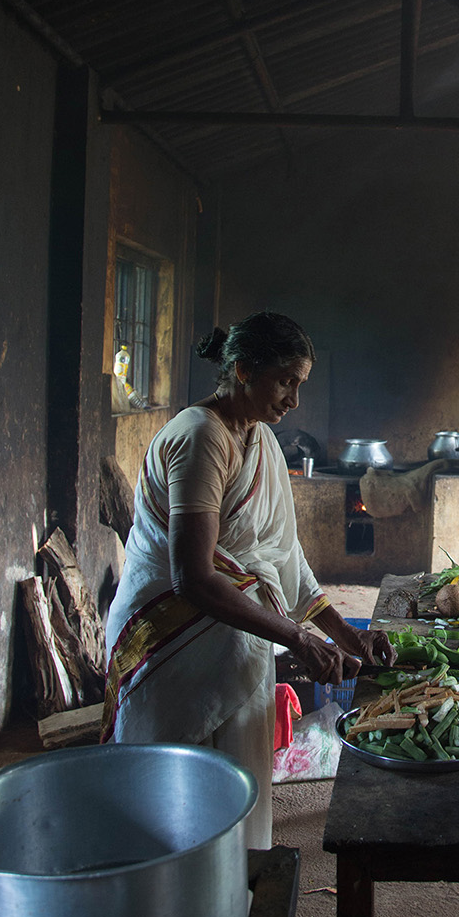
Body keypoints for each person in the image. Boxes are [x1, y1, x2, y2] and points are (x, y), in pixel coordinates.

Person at [102, 311, 395, 848]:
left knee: (235, 798)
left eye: (299, 384)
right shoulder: (200, 439)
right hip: (171, 638)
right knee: (178, 808)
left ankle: (235, 893)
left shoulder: (258, 438)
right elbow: (192, 578)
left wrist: (342, 631)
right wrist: (296, 637)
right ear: (242, 369)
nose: (294, 400)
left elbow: (281, 556)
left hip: (237, 632)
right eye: (285, 381)